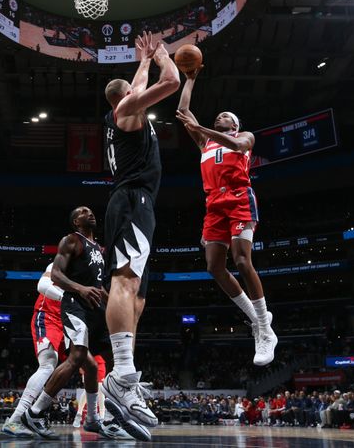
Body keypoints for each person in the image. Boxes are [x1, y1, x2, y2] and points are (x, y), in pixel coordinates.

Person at [99, 32, 180, 441]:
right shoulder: (127, 110)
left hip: (137, 202)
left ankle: (123, 385)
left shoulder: (126, 110)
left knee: (140, 297)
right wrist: (163, 54)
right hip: (132, 201)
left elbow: (144, 84)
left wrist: (143, 59)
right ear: (126, 96)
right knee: (125, 281)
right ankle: (121, 374)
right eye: (134, 89)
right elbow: (172, 83)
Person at [175, 70, 277, 366]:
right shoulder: (205, 143)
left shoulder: (244, 136)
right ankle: (258, 320)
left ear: (234, 124)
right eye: (217, 116)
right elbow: (183, 111)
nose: (219, 116)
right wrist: (191, 79)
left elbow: (237, 147)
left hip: (239, 197)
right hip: (213, 203)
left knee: (242, 261)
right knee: (213, 267)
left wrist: (203, 129)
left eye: (225, 116)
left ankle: (265, 331)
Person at [22, 207, 130, 441]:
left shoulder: (99, 250)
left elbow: (98, 287)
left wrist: (115, 306)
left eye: (91, 211)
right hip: (74, 307)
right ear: (75, 221)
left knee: (98, 364)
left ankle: (93, 419)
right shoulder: (71, 241)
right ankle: (34, 412)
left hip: (94, 311)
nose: (90, 213)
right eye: (83, 211)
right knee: (77, 356)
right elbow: (56, 276)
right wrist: (80, 289)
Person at [1, 263, 65, 437]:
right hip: (48, 316)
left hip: (66, 323)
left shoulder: (87, 271)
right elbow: (42, 285)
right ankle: (15, 420)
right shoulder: (61, 261)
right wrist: (66, 298)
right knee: (48, 365)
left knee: (72, 367)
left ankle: (36, 415)